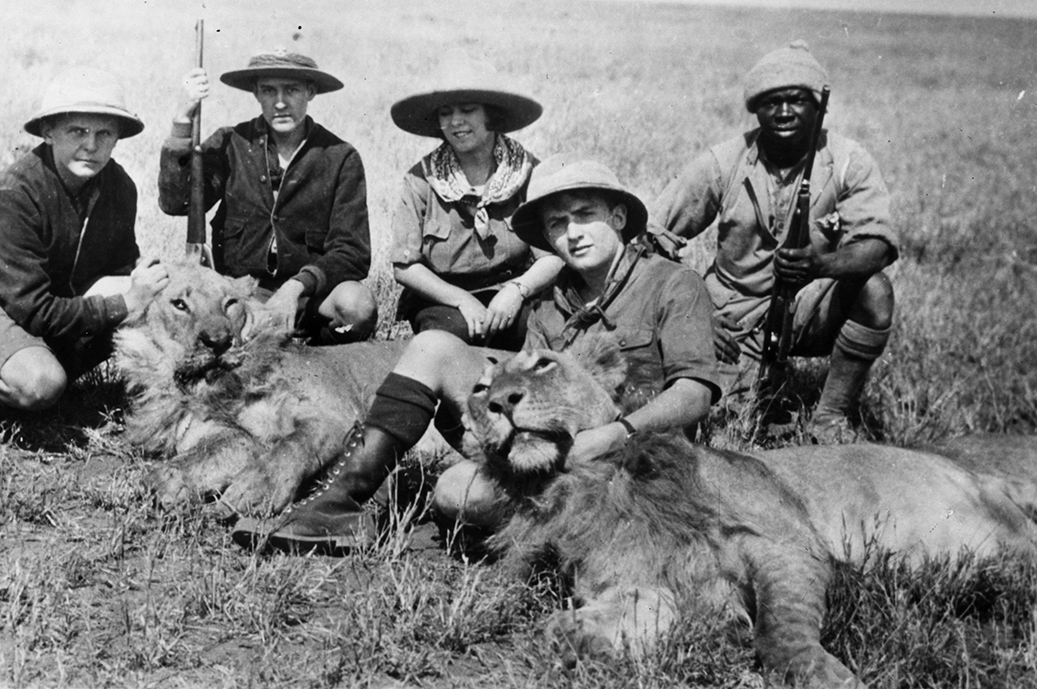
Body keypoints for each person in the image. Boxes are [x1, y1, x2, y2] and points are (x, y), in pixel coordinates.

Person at [235, 159, 721, 554]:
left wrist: (616, 434)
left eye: (585, 214)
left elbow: (695, 393)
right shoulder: (550, 302)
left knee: (462, 497)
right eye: (557, 224)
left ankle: (555, 542)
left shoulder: (673, 284)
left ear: (618, 218)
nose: (572, 233)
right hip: (555, 460)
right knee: (437, 386)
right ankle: (341, 503)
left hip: (636, 464)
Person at [652, 40, 897, 442]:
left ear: (819, 105)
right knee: (724, 425)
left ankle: (830, 417)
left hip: (808, 305)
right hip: (730, 314)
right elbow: (651, 241)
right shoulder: (722, 162)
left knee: (875, 291)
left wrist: (821, 266)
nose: (784, 112)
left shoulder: (849, 161)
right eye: (771, 101)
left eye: (797, 100)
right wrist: (693, 318)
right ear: (755, 109)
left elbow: (878, 244)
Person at [0, 67, 169, 415]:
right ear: (48, 132)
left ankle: (33, 362)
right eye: (78, 130)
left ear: (118, 139)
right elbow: (33, 308)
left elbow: (121, 268)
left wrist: (144, 290)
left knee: (148, 297)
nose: (91, 145)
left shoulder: (119, 186)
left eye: (104, 133)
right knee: (41, 383)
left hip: (44, 298)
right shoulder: (13, 195)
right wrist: (124, 304)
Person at [160, 48, 377, 344]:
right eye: (268, 90)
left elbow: (352, 252)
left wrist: (296, 287)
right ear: (255, 93)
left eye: (291, 90)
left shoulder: (340, 157)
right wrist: (181, 119)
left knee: (357, 308)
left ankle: (318, 358)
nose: (280, 103)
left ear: (310, 92)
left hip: (309, 297)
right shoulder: (230, 143)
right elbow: (177, 202)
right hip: (240, 295)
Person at [388, 51, 563, 350]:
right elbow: (405, 267)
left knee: (542, 334)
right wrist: (462, 300)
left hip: (515, 293)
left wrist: (516, 291)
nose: (456, 122)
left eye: (468, 110)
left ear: (490, 114)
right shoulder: (420, 180)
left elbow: (552, 257)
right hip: (444, 300)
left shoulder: (529, 172)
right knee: (451, 343)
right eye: (445, 113)